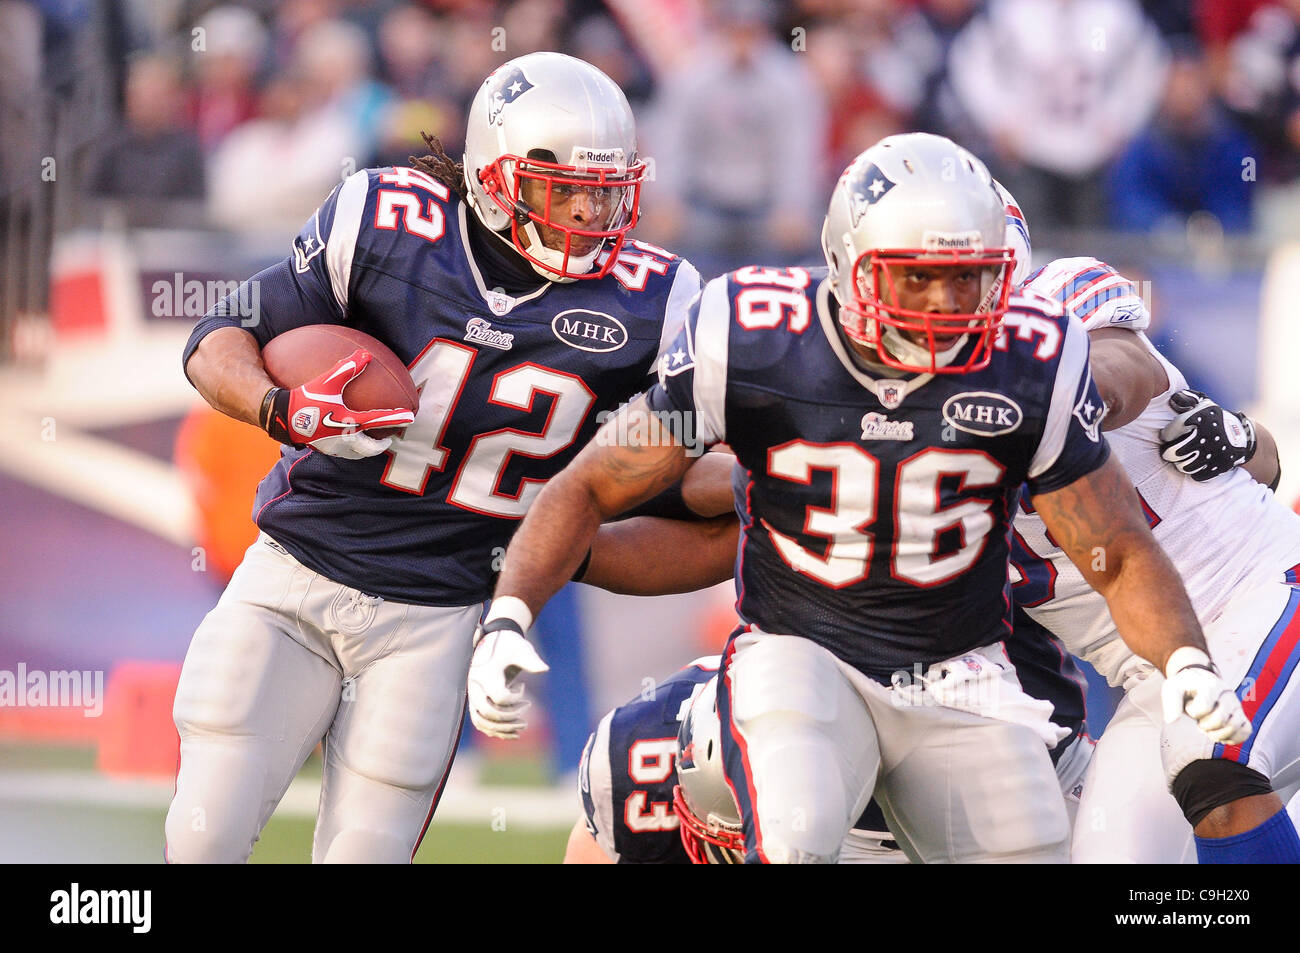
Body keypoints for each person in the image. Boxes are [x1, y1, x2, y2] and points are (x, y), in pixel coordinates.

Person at [468, 132, 1248, 863]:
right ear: (850, 264)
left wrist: (1183, 657)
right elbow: (595, 482)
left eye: (966, 277)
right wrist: (509, 612)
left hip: (959, 671)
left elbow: (1118, 551)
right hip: (801, 654)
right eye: (918, 275)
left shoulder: (1031, 364)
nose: (943, 305)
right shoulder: (750, 339)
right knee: (797, 824)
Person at [165, 52, 701, 863]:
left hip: (438, 615)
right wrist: (282, 406)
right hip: (297, 575)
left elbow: (700, 493)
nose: (592, 212)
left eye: (608, 187)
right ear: (492, 175)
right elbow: (219, 333)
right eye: (566, 188)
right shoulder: (385, 224)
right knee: (201, 838)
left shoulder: (654, 299)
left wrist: (554, 550)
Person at [1010, 255, 1300, 863]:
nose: (934, 304)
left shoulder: (1057, 304)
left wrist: (1003, 406)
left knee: (1213, 758)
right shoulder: (889, 426)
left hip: (1261, 588)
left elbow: (1124, 370)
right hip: (1153, 675)